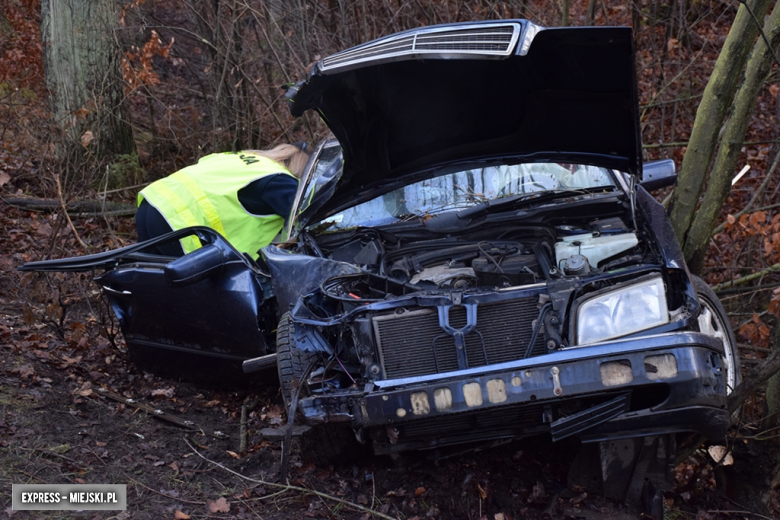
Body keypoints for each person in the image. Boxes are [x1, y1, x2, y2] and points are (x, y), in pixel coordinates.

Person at [136, 143, 309, 258]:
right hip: (178, 223)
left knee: (148, 287)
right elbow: (307, 217)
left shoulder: (241, 159)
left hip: (153, 202)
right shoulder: (280, 181)